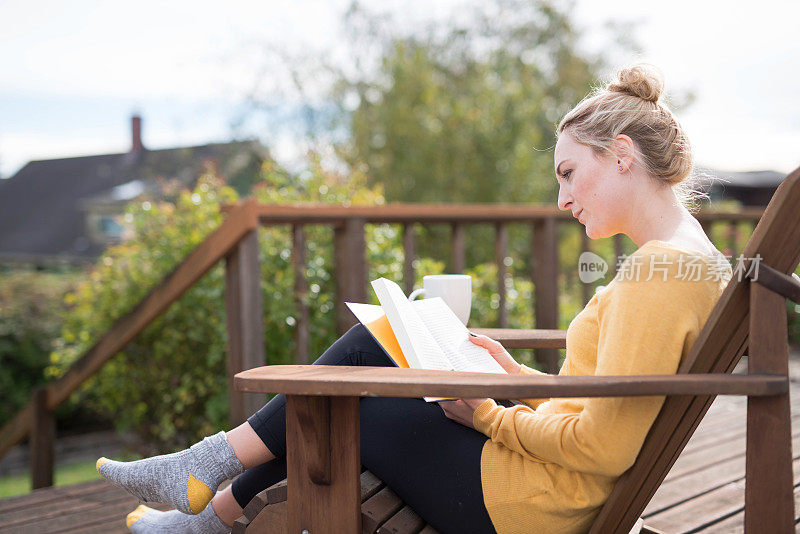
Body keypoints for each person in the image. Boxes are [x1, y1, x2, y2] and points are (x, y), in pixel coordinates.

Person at [96, 63, 733, 534]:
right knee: (375, 344)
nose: (562, 200)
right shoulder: (686, 261)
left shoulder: (663, 272)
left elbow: (605, 446)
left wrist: (486, 413)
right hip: (543, 478)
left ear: (622, 154)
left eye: (569, 173)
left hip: (533, 504)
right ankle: (206, 491)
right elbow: (609, 400)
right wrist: (514, 379)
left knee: (351, 400)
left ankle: (204, 489)